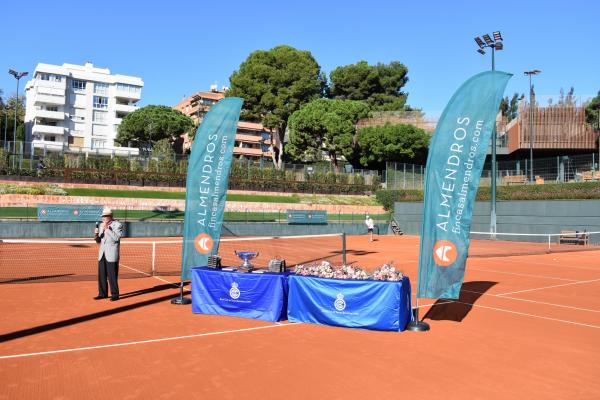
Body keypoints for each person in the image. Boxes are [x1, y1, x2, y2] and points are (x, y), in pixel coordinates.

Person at [94, 207, 123, 301]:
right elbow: (99, 241)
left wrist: (108, 229)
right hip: (102, 253)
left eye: (105, 216)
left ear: (110, 216)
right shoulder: (101, 225)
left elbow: (116, 238)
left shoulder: (117, 225)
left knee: (112, 275)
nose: (104, 218)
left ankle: (115, 294)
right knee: (101, 275)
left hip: (112, 254)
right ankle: (102, 293)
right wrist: (96, 236)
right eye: (103, 216)